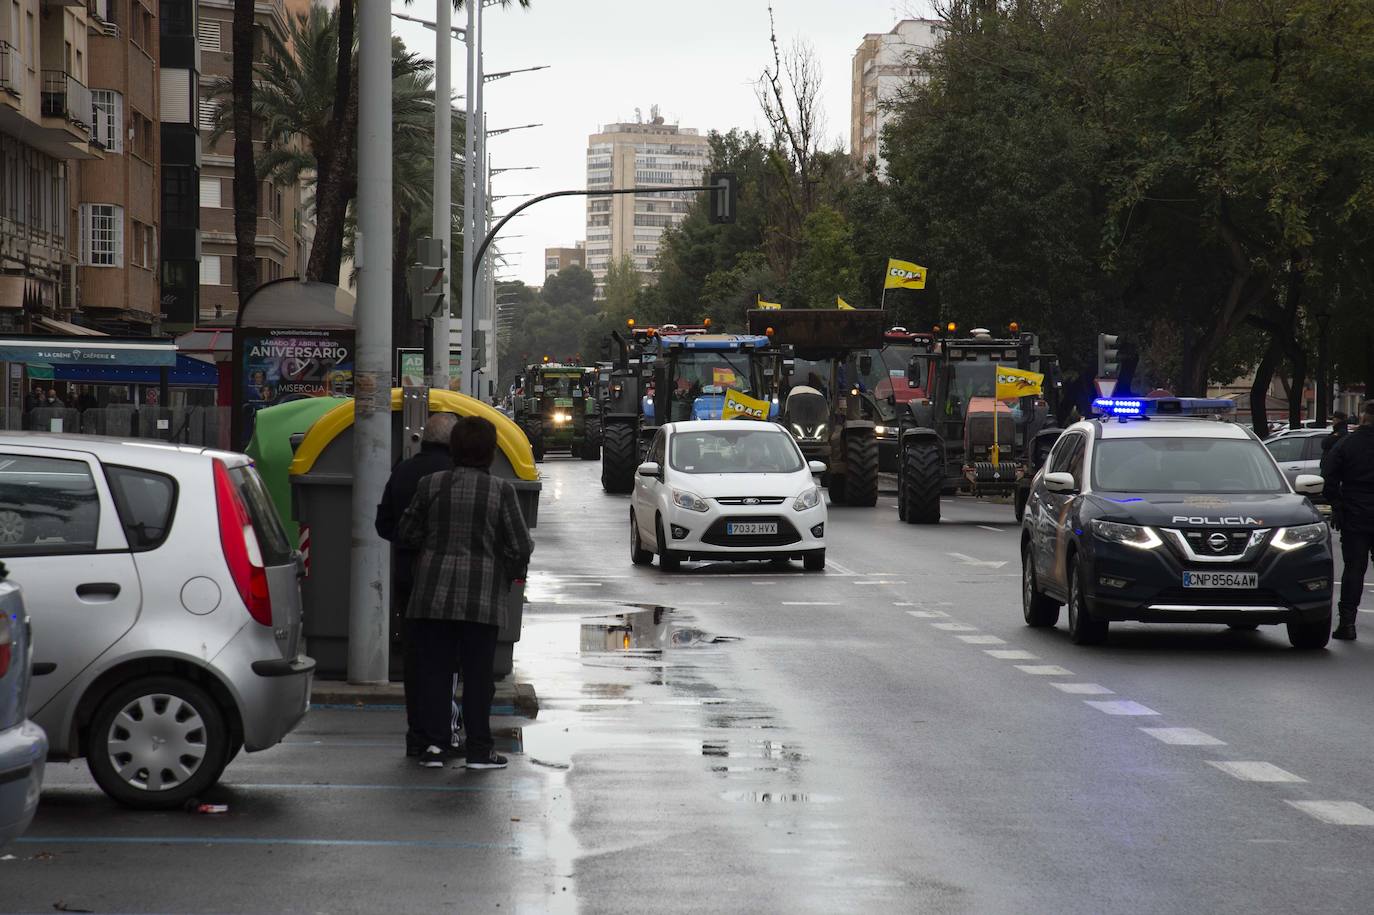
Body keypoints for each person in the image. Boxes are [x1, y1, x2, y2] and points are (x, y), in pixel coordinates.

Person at [399, 416, 534, 769]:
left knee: (435, 672)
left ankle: (435, 745)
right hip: (482, 598)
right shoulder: (501, 491)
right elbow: (521, 545)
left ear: (454, 449)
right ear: (490, 452)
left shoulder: (430, 485)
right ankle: (478, 749)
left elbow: (406, 532)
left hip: (432, 595)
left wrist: (431, 549)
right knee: (478, 676)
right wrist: (506, 571)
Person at [375, 412, 459, 758]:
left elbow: (383, 524)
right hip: (447, 582)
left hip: (409, 578)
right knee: (446, 660)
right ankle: (442, 734)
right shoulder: (455, 475)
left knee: (415, 659)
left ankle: (417, 735)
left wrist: (407, 543)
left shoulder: (403, 471)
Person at [1322, 401, 1374, 640]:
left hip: (1355, 513)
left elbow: (1329, 477)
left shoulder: (1346, 443)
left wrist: (1337, 505)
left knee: (1354, 568)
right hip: (1355, 509)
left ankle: (1347, 623)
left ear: (1362, 417)